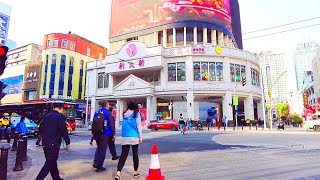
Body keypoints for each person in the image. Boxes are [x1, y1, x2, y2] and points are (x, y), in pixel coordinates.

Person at [36, 103, 70, 180]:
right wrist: (67, 141)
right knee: (49, 164)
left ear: (53, 108)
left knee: (52, 162)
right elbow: (63, 130)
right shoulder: (60, 117)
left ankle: (56, 178)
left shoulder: (46, 117)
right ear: (61, 108)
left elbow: (40, 129)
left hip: (45, 143)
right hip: (54, 144)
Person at [115, 100, 142, 180]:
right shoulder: (136, 114)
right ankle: (135, 172)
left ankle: (118, 173)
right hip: (134, 137)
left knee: (123, 156)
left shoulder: (124, 115)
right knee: (135, 155)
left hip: (125, 136)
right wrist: (140, 138)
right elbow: (139, 127)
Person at [92, 101, 115, 172]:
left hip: (97, 133)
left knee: (99, 148)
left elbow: (94, 123)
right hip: (105, 133)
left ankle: (96, 162)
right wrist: (114, 134)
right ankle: (99, 166)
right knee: (102, 150)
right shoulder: (108, 113)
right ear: (107, 106)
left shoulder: (96, 112)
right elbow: (111, 125)